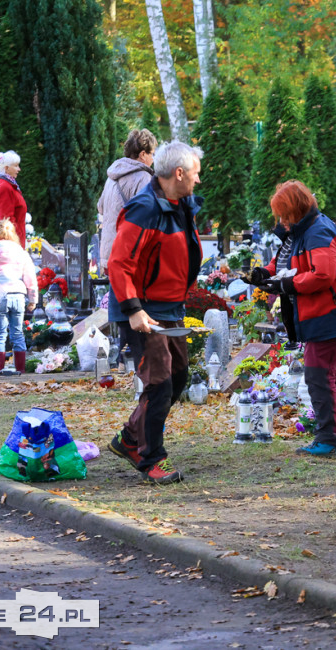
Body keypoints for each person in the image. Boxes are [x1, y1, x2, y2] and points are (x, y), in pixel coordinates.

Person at [243, 181, 336, 457]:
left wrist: (286, 286)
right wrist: (264, 273)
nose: (282, 222)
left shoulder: (317, 231)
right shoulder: (302, 230)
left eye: (285, 215)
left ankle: (328, 439)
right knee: (330, 376)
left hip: (331, 314)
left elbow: (323, 275)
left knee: (318, 376)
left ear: (297, 209)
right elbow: (286, 263)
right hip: (329, 312)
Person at [106, 141, 204, 484]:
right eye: (195, 174)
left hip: (168, 307)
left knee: (178, 378)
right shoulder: (144, 209)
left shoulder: (180, 203)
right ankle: (150, 459)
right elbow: (118, 263)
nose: (198, 180)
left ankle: (130, 438)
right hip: (142, 309)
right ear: (178, 173)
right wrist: (133, 310)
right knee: (160, 383)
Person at [0, 219, 38, 374]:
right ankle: (21, 369)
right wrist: (33, 299)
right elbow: (30, 277)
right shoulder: (21, 253)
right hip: (18, 295)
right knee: (17, 333)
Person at [97, 129, 158, 273]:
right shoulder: (143, 177)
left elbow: (100, 207)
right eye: (152, 154)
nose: (153, 159)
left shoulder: (112, 176)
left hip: (109, 254)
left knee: (114, 295)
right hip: (130, 257)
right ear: (143, 154)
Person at [0, 151, 27, 248]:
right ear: (6, 168)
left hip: (4, 237)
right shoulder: (4, 186)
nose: (19, 169)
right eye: (16, 166)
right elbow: (6, 220)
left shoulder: (7, 184)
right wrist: (15, 243)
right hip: (4, 239)